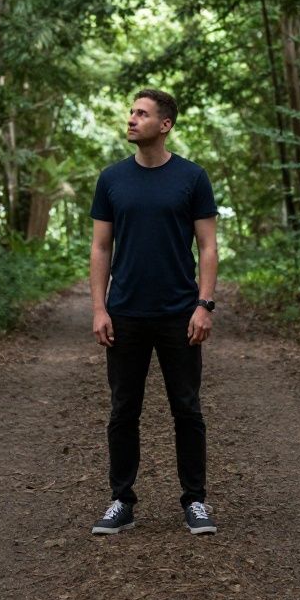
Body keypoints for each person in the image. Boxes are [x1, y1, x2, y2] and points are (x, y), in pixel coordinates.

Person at [88, 88, 219, 536]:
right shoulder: (111, 179)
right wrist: (99, 308)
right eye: (131, 112)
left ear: (165, 125)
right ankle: (121, 501)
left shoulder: (192, 177)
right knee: (123, 411)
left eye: (141, 113)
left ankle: (195, 500)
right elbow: (100, 247)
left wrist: (204, 305)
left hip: (179, 313)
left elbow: (208, 246)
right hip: (125, 313)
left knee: (187, 409)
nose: (131, 118)